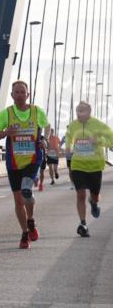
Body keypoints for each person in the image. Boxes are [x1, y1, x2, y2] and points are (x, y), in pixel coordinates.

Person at [0, 80, 52, 249]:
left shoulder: (36, 111)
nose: (19, 95)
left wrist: (44, 139)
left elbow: (47, 126)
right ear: (11, 95)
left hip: (33, 158)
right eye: (16, 92)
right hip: (14, 162)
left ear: (28, 94)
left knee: (26, 190)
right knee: (18, 201)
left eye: (22, 92)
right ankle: (25, 232)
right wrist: (5, 132)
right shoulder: (6, 114)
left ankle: (30, 219)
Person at [63, 101, 113, 237]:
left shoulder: (98, 125)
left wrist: (99, 142)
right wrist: (68, 146)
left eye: (82, 111)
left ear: (89, 112)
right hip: (78, 165)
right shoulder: (73, 125)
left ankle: (94, 203)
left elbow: (111, 139)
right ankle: (83, 223)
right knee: (80, 194)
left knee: (94, 196)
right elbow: (69, 137)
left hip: (95, 166)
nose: (79, 114)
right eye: (78, 111)